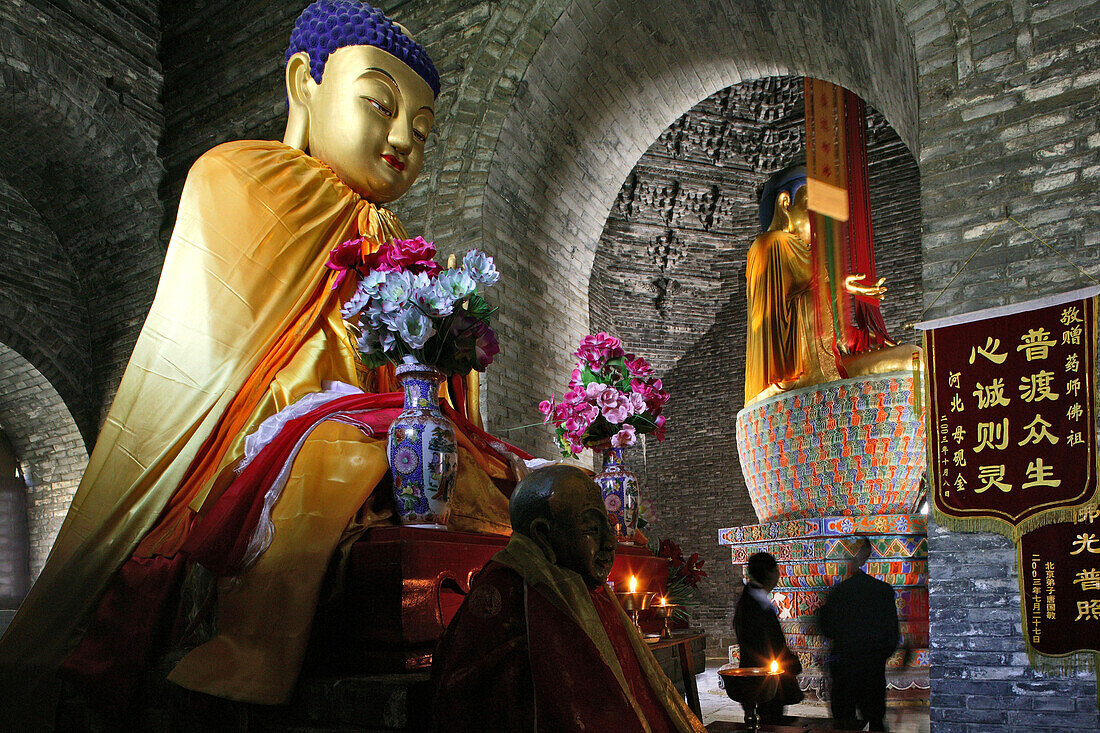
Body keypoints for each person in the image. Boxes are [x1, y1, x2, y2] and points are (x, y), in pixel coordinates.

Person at [0, 2, 519, 727]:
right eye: (380, 103)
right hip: (270, 427)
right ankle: (246, 656)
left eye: (423, 130)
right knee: (333, 461)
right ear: (305, 82)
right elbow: (213, 355)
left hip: (391, 425)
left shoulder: (398, 235)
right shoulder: (240, 177)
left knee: (510, 474)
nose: (403, 136)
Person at [430, 465, 706, 732]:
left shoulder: (588, 588)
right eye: (591, 530)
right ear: (542, 534)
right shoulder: (508, 591)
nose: (610, 543)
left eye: (607, 527)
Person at [743, 165, 920, 405]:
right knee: (911, 361)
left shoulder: (814, 259)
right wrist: (839, 287)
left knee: (915, 356)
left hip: (825, 361)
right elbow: (782, 321)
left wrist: (871, 339)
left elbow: (831, 334)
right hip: (796, 374)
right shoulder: (770, 245)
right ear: (785, 203)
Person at [817, 536, 900, 732]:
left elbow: (826, 628)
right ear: (865, 557)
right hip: (872, 667)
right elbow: (892, 636)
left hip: (844, 666)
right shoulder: (882, 591)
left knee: (844, 722)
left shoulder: (838, 592)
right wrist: (877, 656)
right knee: (875, 719)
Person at [732, 551, 803, 724]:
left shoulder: (751, 598)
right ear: (769, 572)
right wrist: (791, 662)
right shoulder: (753, 604)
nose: (778, 575)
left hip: (763, 678)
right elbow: (766, 643)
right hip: (763, 680)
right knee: (769, 722)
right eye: (777, 570)